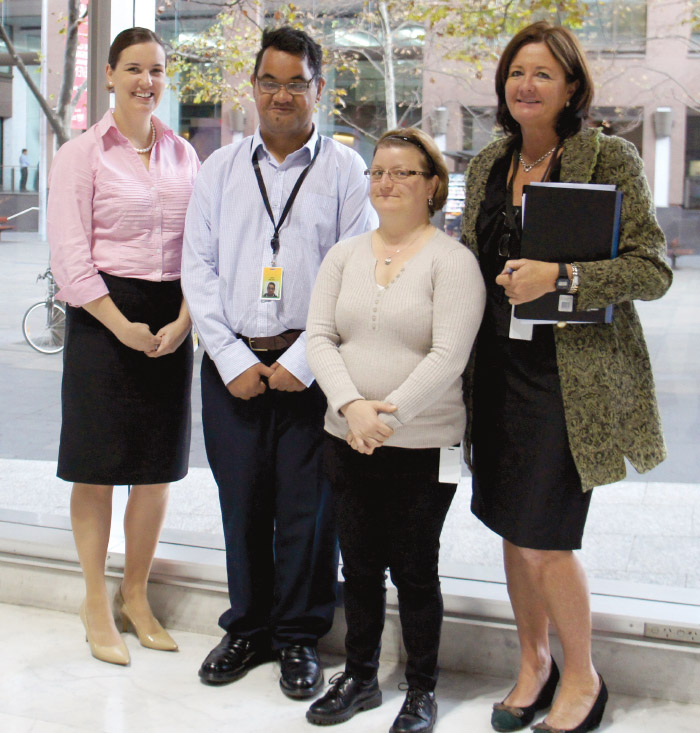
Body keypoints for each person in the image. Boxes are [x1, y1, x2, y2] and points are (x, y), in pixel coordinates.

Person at [461, 21, 672, 733]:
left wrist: (566, 276)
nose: (526, 84)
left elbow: (653, 267)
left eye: (543, 73)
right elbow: (467, 266)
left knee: (546, 534)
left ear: (572, 85)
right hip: (493, 369)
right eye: (517, 71)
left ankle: (583, 675)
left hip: (565, 379)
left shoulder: (606, 157)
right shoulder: (489, 161)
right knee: (510, 526)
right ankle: (533, 662)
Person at [181, 26, 376, 699]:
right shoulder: (221, 169)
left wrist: (304, 359)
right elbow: (197, 269)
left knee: (307, 510)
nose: (282, 94)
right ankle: (249, 626)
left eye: (297, 82)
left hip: (311, 365)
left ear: (319, 89)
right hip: (231, 366)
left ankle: (298, 636)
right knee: (241, 502)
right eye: (270, 81)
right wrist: (229, 355)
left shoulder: (348, 172)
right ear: (254, 86)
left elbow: (356, 272)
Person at [306, 128, 486, 733]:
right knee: (357, 564)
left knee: (414, 567)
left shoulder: (453, 262)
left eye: (403, 172)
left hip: (422, 445)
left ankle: (421, 689)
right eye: (378, 171)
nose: (387, 182)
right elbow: (320, 337)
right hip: (346, 437)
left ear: (432, 185)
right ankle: (359, 677)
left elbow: (449, 356)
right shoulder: (344, 256)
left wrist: (385, 418)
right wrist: (352, 407)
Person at [47, 27, 199, 666]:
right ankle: (93, 601)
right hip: (103, 318)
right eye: (134, 68)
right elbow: (69, 258)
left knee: (157, 470)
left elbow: (203, 249)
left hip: (172, 316)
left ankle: (136, 596)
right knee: (97, 467)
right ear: (109, 75)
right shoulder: (81, 154)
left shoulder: (184, 153)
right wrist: (120, 325)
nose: (147, 80)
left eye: (158, 69)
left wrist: (188, 318)